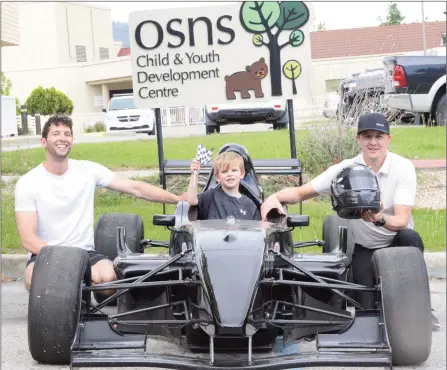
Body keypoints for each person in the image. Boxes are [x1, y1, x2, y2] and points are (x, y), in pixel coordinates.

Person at [260, 112, 440, 329]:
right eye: (367, 136)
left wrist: (378, 218)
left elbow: (401, 220)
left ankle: (421, 309)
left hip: (396, 239)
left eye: (379, 136)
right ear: (358, 139)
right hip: (364, 246)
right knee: (366, 310)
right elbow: (300, 193)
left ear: (388, 139)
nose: (373, 142)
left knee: (410, 237)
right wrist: (274, 197)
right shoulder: (344, 170)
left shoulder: (403, 168)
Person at [15, 114, 187, 292]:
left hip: (84, 253)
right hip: (46, 253)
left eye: (67, 133)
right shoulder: (28, 182)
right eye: (56, 133)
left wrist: (177, 198)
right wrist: (64, 261)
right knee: (33, 278)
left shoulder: (88, 170)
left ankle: (83, 294)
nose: (62, 138)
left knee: (108, 279)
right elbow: (28, 239)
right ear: (44, 142)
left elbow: (135, 188)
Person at [186, 151, 260, 221]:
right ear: (217, 177)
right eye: (224, 171)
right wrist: (194, 174)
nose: (230, 174)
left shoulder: (250, 205)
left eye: (234, 170)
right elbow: (192, 200)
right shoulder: (210, 196)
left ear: (242, 174)